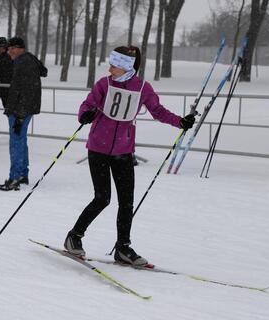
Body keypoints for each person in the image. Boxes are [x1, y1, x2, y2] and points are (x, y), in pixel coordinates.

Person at [63, 45, 195, 266]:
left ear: (125, 66)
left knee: (126, 202)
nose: (110, 67)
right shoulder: (104, 84)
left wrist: (180, 122)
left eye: (114, 64)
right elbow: (87, 105)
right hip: (98, 149)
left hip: (124, 151)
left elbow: (158, 111)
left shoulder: (142, 87)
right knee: (102, 198)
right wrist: (85, 115)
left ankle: (123, 248)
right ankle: (74, 237)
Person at [0, 37, 47, 191]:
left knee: (16, 143)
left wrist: (19, 114)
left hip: (20, 110)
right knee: (20, 141)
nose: (9, 51)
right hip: (23, 108)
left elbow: (26, 90)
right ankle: (23, 174)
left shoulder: (23, 63)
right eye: (9, 48)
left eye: (13, 48)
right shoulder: (27, 61)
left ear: (21, 49)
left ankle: (15, 177)